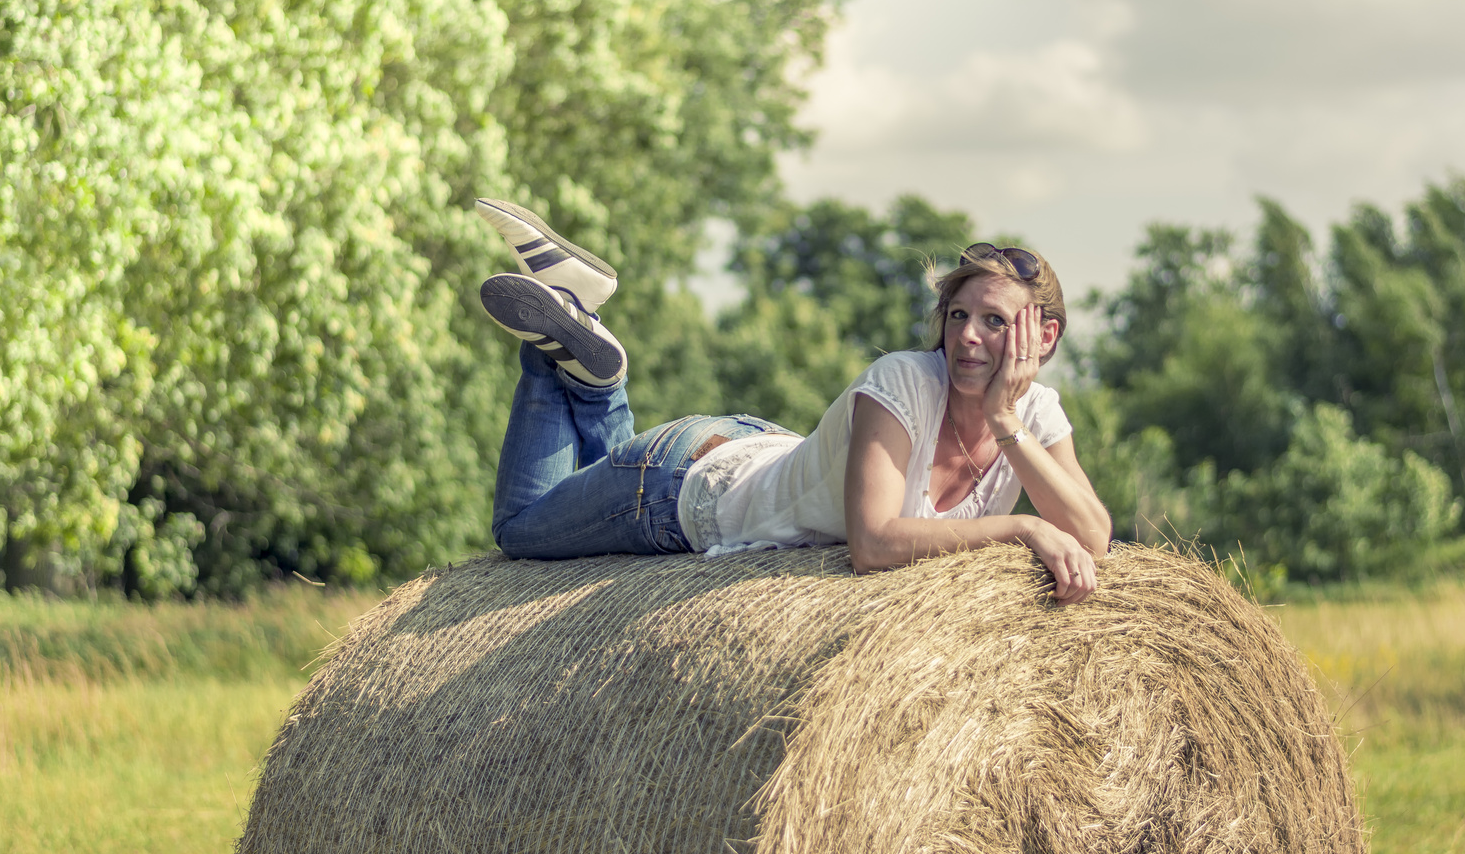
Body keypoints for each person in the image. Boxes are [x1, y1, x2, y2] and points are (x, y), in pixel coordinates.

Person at [475, 197, 1111, 604]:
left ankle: (579, 335)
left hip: (756, 446)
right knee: (518, 528)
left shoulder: (1034, 415)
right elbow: (874, 543)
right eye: (957, 315)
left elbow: (1093, 535)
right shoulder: (902, 382)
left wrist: (1004, 421)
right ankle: (557, 338)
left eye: (995, 322)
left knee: (588, 478)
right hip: (684, 490)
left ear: (1043, 335)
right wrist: (1025, 526)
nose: (967, 336)